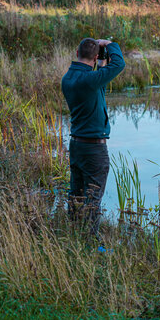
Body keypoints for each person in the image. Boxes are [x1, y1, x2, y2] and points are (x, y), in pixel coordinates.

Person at [61, 38, 125, 240]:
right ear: (96, 56)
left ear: (76, 52)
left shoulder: (68, 78)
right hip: (94, 149)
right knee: (93, 198)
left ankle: (74, 236)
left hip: (76, 145)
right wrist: (110, 44)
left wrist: (100, 64)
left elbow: (97, 91)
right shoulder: (89, 80)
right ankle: (90, 242)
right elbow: (120, 64)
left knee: (76, 194)